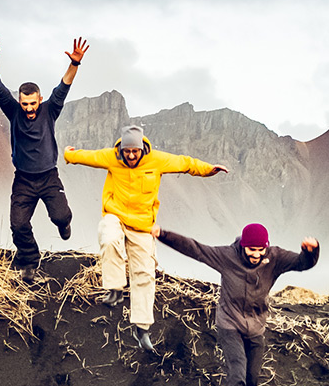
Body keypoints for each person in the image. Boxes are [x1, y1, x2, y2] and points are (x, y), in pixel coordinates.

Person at [152, 222, 319, 386]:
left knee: (251, 380)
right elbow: (195, 249)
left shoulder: (276, 257)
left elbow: (302, 264)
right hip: (229, 324)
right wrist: (163, 234)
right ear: (243, 246)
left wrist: (311, 251)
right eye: (252, 250)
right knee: (238, 371)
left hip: (257, 327)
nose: (257, 255)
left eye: (261, 250)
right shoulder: (227, 256)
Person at [63, 126, 228, 352]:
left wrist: (209, 169)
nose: (131, 156)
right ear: (121, 149)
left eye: (135, 152)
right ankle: (114, 289)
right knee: (109, 237)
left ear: (143, 149)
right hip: (115, 216)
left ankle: (141, 330)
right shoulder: (112, 157)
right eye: (127, 151)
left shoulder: (157, 160)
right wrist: (68, 154)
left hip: (142, 226)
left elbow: (186, 163)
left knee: (145, 274)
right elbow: (86, 156)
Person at [0, 32, 88, 282]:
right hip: (23, 180)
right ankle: (29, 261)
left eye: (32, 103)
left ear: (40, 100)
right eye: (24, 104)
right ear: (19, 102)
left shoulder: (50, 110)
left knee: (61, 216)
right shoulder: (14, 111)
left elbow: (64, 86)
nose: (29, 108)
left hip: (49, 177)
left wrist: (74, 63)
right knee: (18, 225)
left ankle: (64, 224)